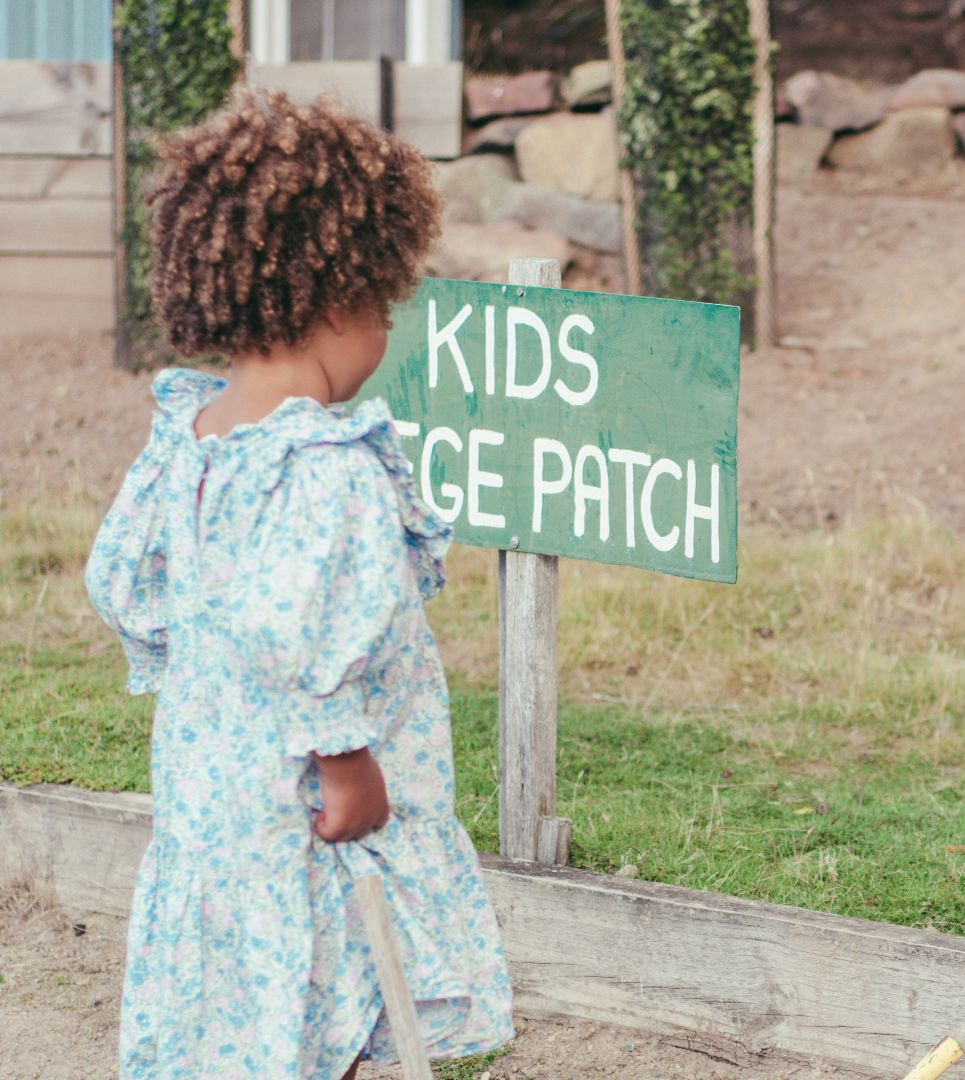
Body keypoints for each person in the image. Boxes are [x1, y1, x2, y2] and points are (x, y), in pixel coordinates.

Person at [85, 89, 514, 1079]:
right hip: (304, 795)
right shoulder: (324, 466)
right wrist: (350, 760)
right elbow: (318, 629)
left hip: (211, 792)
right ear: (334, 306)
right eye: (384, 310)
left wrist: (188, 669)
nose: (385, 338)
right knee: (333, 975)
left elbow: (127, 581)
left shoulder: (191, 439)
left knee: (245, 996)